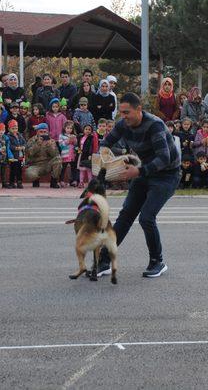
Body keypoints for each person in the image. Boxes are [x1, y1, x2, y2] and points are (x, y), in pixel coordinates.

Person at [97, 92, 181, 278]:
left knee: (146, 218)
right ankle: (104, 261)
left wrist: (138, 172)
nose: (123, 116)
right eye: (121, 113)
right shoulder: (123, 125)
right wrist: (102, 156)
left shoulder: (155, 125)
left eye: (127, 112)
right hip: (144, 172)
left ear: (139, 110)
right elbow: (106, 143)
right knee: (126, 215)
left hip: (167, 175)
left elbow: (164, 158)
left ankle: (157, 261)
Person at [25, 123, 61, 188]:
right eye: (41, 132)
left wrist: (50, 146)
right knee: (29, 173)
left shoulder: (51, 141)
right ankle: (36, 181)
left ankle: (54, 181)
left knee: (58, 160)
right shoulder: (31, 140)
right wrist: (38, 144)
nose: (43, 133)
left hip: (48, 164)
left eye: (45, 132)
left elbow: (55, 155)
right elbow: (29, 154)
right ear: (37, 132)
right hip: (36, 165)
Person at [58, 121, 78, 187]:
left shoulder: (74, 135)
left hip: (72, 155)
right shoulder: (61, 136)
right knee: (63, 168)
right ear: (64, 128)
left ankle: (74, 181)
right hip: (65, 155)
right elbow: (61, 145)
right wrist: (68, 141)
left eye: (70, 128)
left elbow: (76, 145)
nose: (69, 130)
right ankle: (61, 181)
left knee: (73, 168)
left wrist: (74, 141)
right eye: (68, 128)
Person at [6, 119, 25, 188]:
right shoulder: (8, 136)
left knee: (19, 170)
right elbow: (9, 145)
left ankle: (19, 181)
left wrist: (23, 146)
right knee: (13, 169)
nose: (15, 130)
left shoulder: (19, 135)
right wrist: (15, 148)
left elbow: (24, 142)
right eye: (13, 128)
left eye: (16, 128)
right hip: (13, 156)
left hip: (20, 155)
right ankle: (11, 182)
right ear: (9, 129)